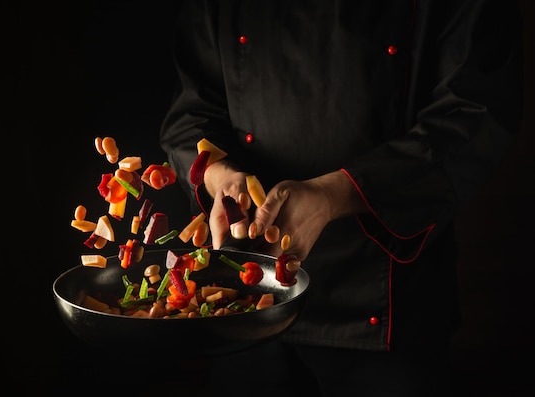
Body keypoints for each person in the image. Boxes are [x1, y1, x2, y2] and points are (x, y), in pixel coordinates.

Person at [159, 1, 524, 396]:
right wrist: (219, 177)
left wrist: (332, 196)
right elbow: (190, 114)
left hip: (389, 304)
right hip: (249, 294)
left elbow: (474, 113)